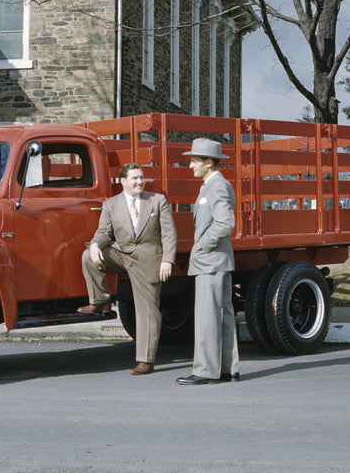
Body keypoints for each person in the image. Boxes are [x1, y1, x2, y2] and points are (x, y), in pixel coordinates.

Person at [78, 162, 177, 375]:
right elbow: (104, 232)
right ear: (123, 182)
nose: (140, 181)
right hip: (122, 254)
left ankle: (145, 360)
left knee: (148, 311)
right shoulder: (111, 205)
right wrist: (95, 245)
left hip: (148, 259)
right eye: (135, 178)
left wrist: (167, 260)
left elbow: (169, 233)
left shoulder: (157, 201)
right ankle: (100, 301)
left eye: (141, 178)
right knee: (88, 255)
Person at [176, 138, 240, 385]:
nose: (191, 165)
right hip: (216, 260)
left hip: (210, 260)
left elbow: (225, 223)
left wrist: (203, 244)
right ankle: (227, 368)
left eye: (194, 160)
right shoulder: (211, 185)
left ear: (209, 163)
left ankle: (205, 371)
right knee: (222, 314)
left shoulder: (217, 186)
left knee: (207, 316)